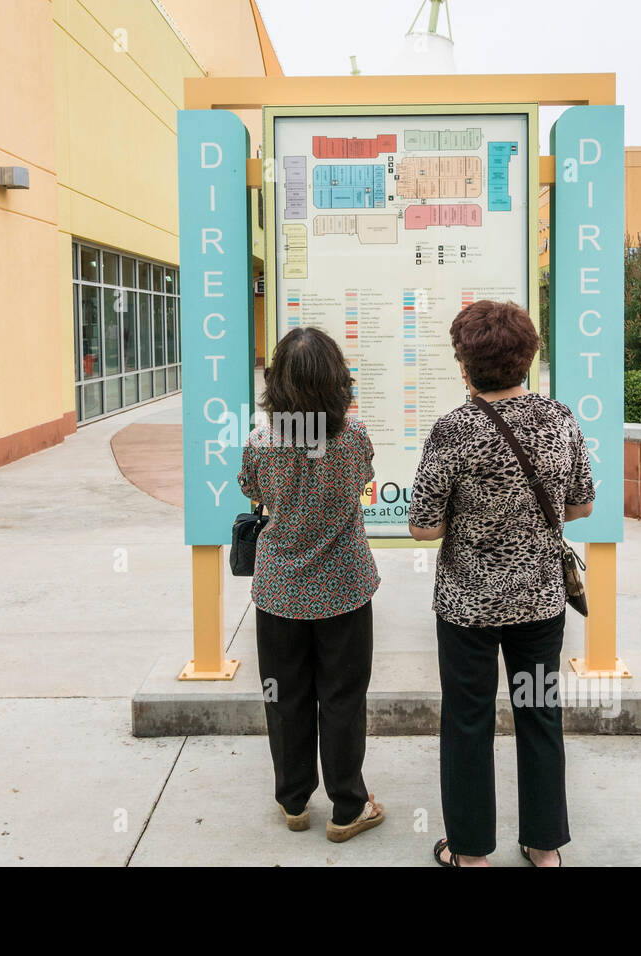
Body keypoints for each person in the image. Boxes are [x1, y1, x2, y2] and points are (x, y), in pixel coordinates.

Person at [407, 300, 595, 868]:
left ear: (465, 365)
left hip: (467, 605)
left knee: (467, 721)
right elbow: (582, 505)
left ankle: (469, 853)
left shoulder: (452, 430)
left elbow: (423, 526)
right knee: (540, 714)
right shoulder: (560, 419)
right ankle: (543, 847)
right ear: (528, 359)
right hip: (540, 600)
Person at [237, 326, 384, 843]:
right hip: (344, 586)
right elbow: (364, 477)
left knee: (285, 696)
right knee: (343, 697)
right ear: (335, 381)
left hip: (278, 590)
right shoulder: (356, 435)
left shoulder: (260, 441)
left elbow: (251, 488)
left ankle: (294, 800)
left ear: (276, 383)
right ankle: (348, 806)